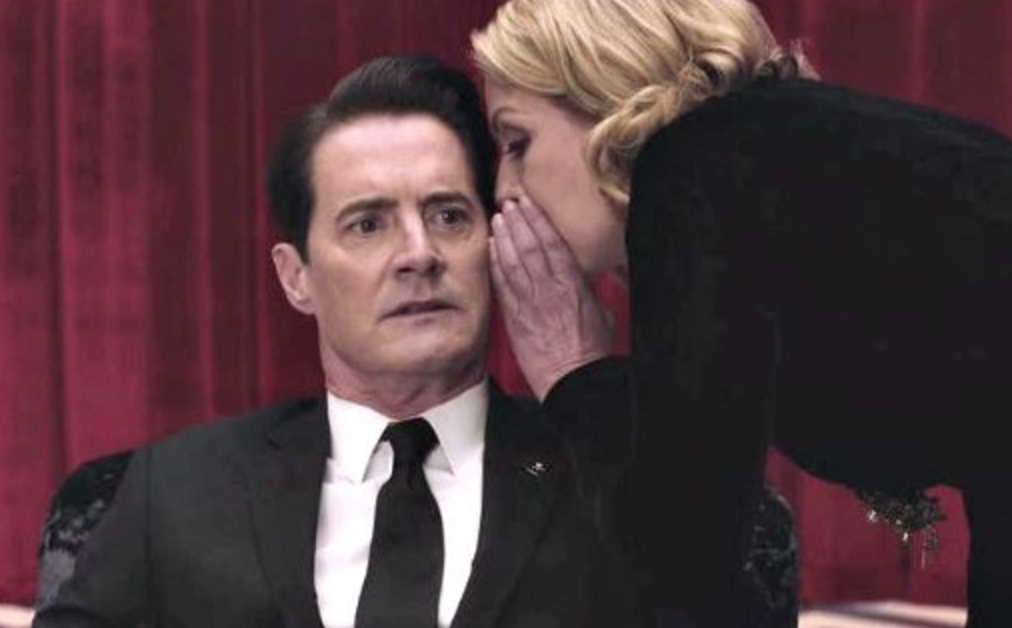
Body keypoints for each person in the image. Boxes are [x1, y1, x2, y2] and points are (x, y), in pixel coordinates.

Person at [32, 54, 653, 628]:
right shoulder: (178, 491)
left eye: (449, 216)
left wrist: (584, 387)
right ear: (295, 276)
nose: (419, 254)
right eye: (368, 225)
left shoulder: (607, 467)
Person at [471, 1, 1012, 627]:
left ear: (606, 94)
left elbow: (688, 556)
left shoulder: (694, 169)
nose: (503, 189)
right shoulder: (773, 158)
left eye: (518, 142)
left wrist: (573, 373)